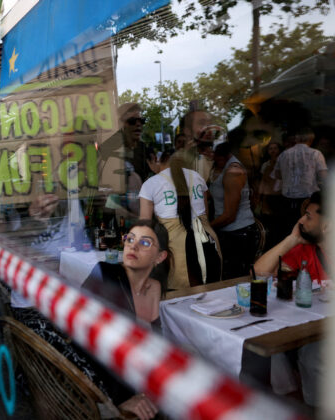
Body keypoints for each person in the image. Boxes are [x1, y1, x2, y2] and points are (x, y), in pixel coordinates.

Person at [82, 220, 171, 419]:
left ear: (160, 257)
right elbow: (83, 342)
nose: (133, 245)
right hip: (103, 391)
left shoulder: (154, 287)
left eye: (145, 243)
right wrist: (117, 399)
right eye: (130, 239)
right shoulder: (105, 274)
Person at [253, 191, 328, 407]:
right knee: (270, 345)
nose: (301, 221)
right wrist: (291, 239)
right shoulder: (303, 249)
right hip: (310, 330)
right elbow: (259, 273)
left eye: (308, 216)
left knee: (314, 352)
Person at [139, 151, 221, 289]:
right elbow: (205, 214)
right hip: (207, 241)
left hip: (175, 248)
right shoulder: (197, 177)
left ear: (155, 160)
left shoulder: (151, 184)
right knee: (210, 293)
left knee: (178, 298)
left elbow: (144, 228)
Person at [209, 142, 257, 279]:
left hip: (238, 233)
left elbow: (230, 215)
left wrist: (207, 227)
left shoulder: (232, 172)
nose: (214, 161)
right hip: (228, 231)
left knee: (236, 279)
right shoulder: (221, 168)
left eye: (216, 158)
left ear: (224, 156)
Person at [272, 126, 327, 238]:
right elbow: (324, 176)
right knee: (307, 233)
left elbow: (277, 175)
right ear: (310, 139)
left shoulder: (283, 155)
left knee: (289, 233)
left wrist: (289, 175)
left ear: (295, 139)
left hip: (286, 202)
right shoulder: (316, 154)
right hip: (307, 202)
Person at [258, 142, 283, 249]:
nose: (273, 151)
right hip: (269, 198)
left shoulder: (284, 163)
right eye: (270, 149)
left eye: (275, 148)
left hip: (281, 197)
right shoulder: (265, 165)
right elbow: (263, 182)